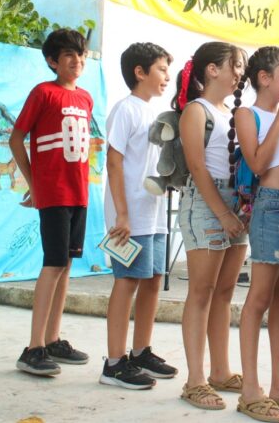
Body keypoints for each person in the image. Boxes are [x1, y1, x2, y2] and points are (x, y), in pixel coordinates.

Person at [9, 28, 93, 376]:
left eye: (81, 54)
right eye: (69, 54)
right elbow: (16, 139)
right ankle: (33, 348)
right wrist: (35, 185)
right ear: (52, 61)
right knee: (53, 264)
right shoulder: (43, 93)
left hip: (79, 193)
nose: (77, 60)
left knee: (67, 265)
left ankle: (53, 339)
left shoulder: (86, 98)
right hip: (54, 193)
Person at [99, 42, 179, 390]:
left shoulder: (154, 112)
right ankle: (114, 363)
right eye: (161, 69)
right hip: (128, 216)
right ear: (140, 72)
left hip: (154, 214)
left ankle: (140, 351)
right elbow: (114, 162)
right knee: (127, 281)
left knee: (153, 279)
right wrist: (122, 214)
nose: (167, 76)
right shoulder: (126, 109)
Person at [174, 41, 248, 410]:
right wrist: (223, 213)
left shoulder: (230, 113)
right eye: (235, 65)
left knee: (224, 292)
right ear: (212, 70)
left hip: (235, 204)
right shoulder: (196, 110)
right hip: (207, 204)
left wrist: (237, 209)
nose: (240, 73)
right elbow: (197, 167)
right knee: (201, 292)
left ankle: (220, 372)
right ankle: (195, 380)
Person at [234, 47, 279, 423]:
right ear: (264, 78)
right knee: (259, 298)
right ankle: (250, 390)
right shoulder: (249, 114)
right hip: (271, 206)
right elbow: (257, 162)